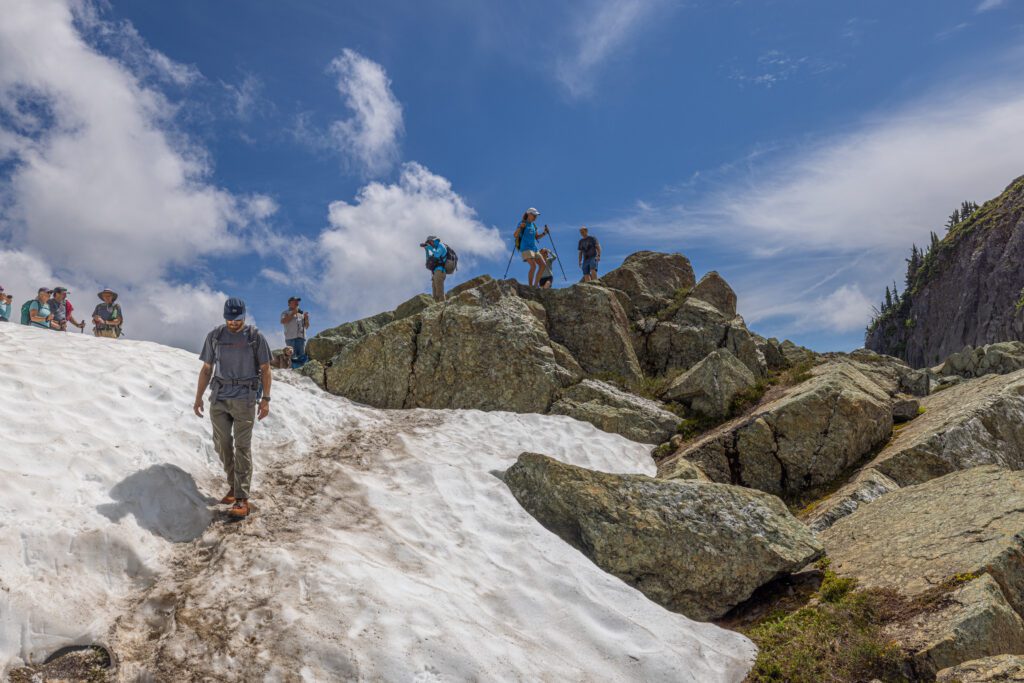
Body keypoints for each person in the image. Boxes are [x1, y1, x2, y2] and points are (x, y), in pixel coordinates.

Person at [193, 297, 272, 520]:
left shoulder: (255, 338)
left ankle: (241, 497)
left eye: (237, 320)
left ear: (244, 316)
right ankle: (234, 485)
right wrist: (198, 397)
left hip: (245, 398)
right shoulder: (215, 336)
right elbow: (207, 369)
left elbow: (266, 369)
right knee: (222, 444)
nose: (233, 323)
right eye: (229, 319)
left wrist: (265, 399)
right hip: (219, 397)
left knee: (242, 447)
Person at [514, 208, 549, 287]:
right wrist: (520, 227)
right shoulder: (522, 223)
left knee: (543, 265)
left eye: (536, 215)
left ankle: (535, 286)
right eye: (534, 215)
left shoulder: (533, 225)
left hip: (534, 248)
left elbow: (536, 237)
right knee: (533, 266)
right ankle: (530, 287)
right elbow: (515, 235)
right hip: (525, 248)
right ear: (529, 214)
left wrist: (545, 233)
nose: (535, 217)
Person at [280, 296, 310, 369]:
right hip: (290, 338)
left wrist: (306, 319)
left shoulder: (301, 314)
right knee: (291, 357)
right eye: (294, 301)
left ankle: (301, 374)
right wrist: (293, 313)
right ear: (289, 303)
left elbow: (307, 326)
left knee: (302, 357)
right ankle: (291, 373)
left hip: (301, 339)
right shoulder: (285, 312)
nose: (297, 302)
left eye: (298, 301)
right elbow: (283, 321)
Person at [421, 235, 449, 302]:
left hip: (440, 271)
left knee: (439, 292)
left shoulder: (441, 246)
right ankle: (437, 309)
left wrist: (430, 248)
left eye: (430, 242)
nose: (430, 244)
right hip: (435, 273)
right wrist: (426, 250)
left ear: (433, 240)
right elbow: (428, 260)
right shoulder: (435, 249)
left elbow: (437, 254)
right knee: (435, 295)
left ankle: (443, 307)